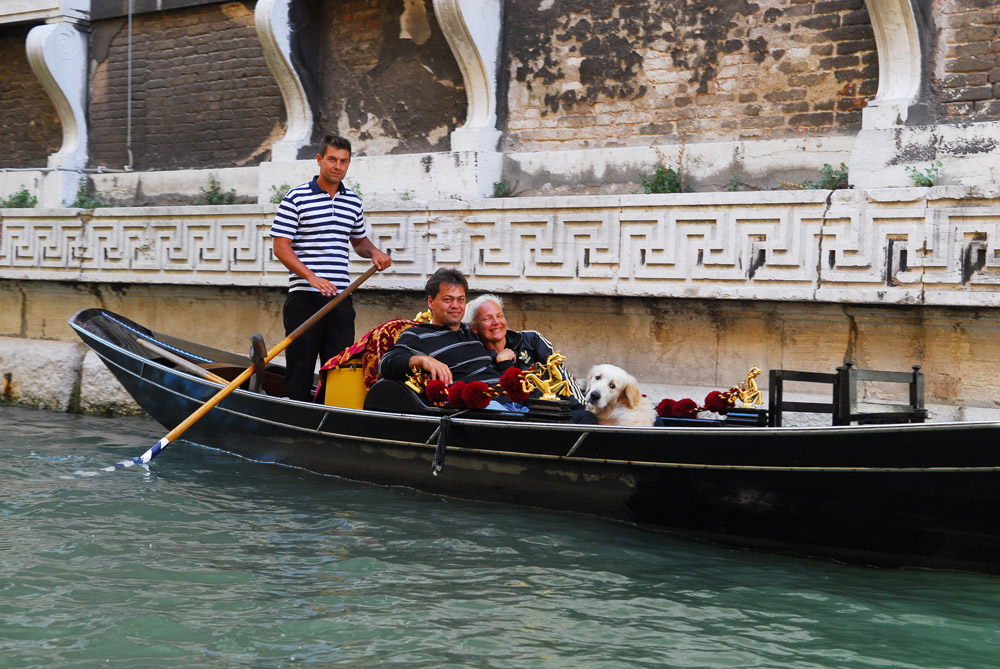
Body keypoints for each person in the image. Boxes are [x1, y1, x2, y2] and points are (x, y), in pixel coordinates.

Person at [270, 134, 391, 401]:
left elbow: (359, 241)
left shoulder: (353, 201)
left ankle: (331, 418)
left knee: (340, 368)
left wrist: (374, 252)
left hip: (340, 300)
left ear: (348, 164)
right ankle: (296, 419)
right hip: (304, 298)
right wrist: (311, 277)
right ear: (319, 160)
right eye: (332, 159)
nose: (338, 166)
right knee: (300, 369)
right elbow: (281, 246)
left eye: (344, 161)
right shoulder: (296, 197)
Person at [378, 268, 501, 387]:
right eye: (448, 299)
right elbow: (385, 364)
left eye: (460, 300)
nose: (455, 305)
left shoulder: (472, 331)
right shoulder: (418, 335)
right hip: (477, 404)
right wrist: (423, 360)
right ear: (431, 302)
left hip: (508, 398)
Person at [464, 294, 586, 405]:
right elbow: (516, 401)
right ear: (474, 327)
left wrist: (581, 407)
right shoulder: (480, 358)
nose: (496, 322)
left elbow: (564, 376)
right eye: (487, 319)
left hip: (561, 408)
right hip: (530, 417)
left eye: (500, 316)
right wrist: (505, 365)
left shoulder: (531, 339)